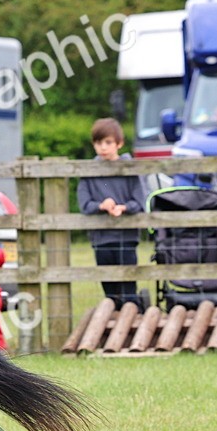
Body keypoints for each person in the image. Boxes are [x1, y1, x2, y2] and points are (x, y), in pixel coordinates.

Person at [77, 117, 146, 308]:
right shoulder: (89, 172)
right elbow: (84, 204)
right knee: (110, 290)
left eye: (108, 142)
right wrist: (102, 205)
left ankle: (133, 318)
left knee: (128, 286)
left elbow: (139, 201)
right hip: (101, 238)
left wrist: (123, 208)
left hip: (126, 237)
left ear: (119, 144)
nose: (103, 147)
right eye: (99, 143)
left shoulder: (131, 169)